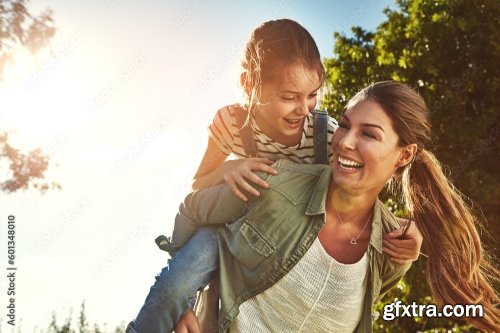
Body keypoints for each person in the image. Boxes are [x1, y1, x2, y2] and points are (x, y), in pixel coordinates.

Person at [126, 19, 421, 333]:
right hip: (227, 225)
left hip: (281, 239)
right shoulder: (231, 123)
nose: (304, 109)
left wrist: (408, 232)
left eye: (312, 95)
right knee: (173, 287)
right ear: (249, 85)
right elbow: (200, 183)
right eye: (289, 97)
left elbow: (361, 188)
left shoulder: (326, 134)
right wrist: (185, 300)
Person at [172, 81, 499, 332]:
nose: (344, 141)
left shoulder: (392, 247)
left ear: (404, 155)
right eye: (344, 125)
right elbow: (191, 209)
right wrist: (181, 302)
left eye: (368, 134)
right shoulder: (274, 183)